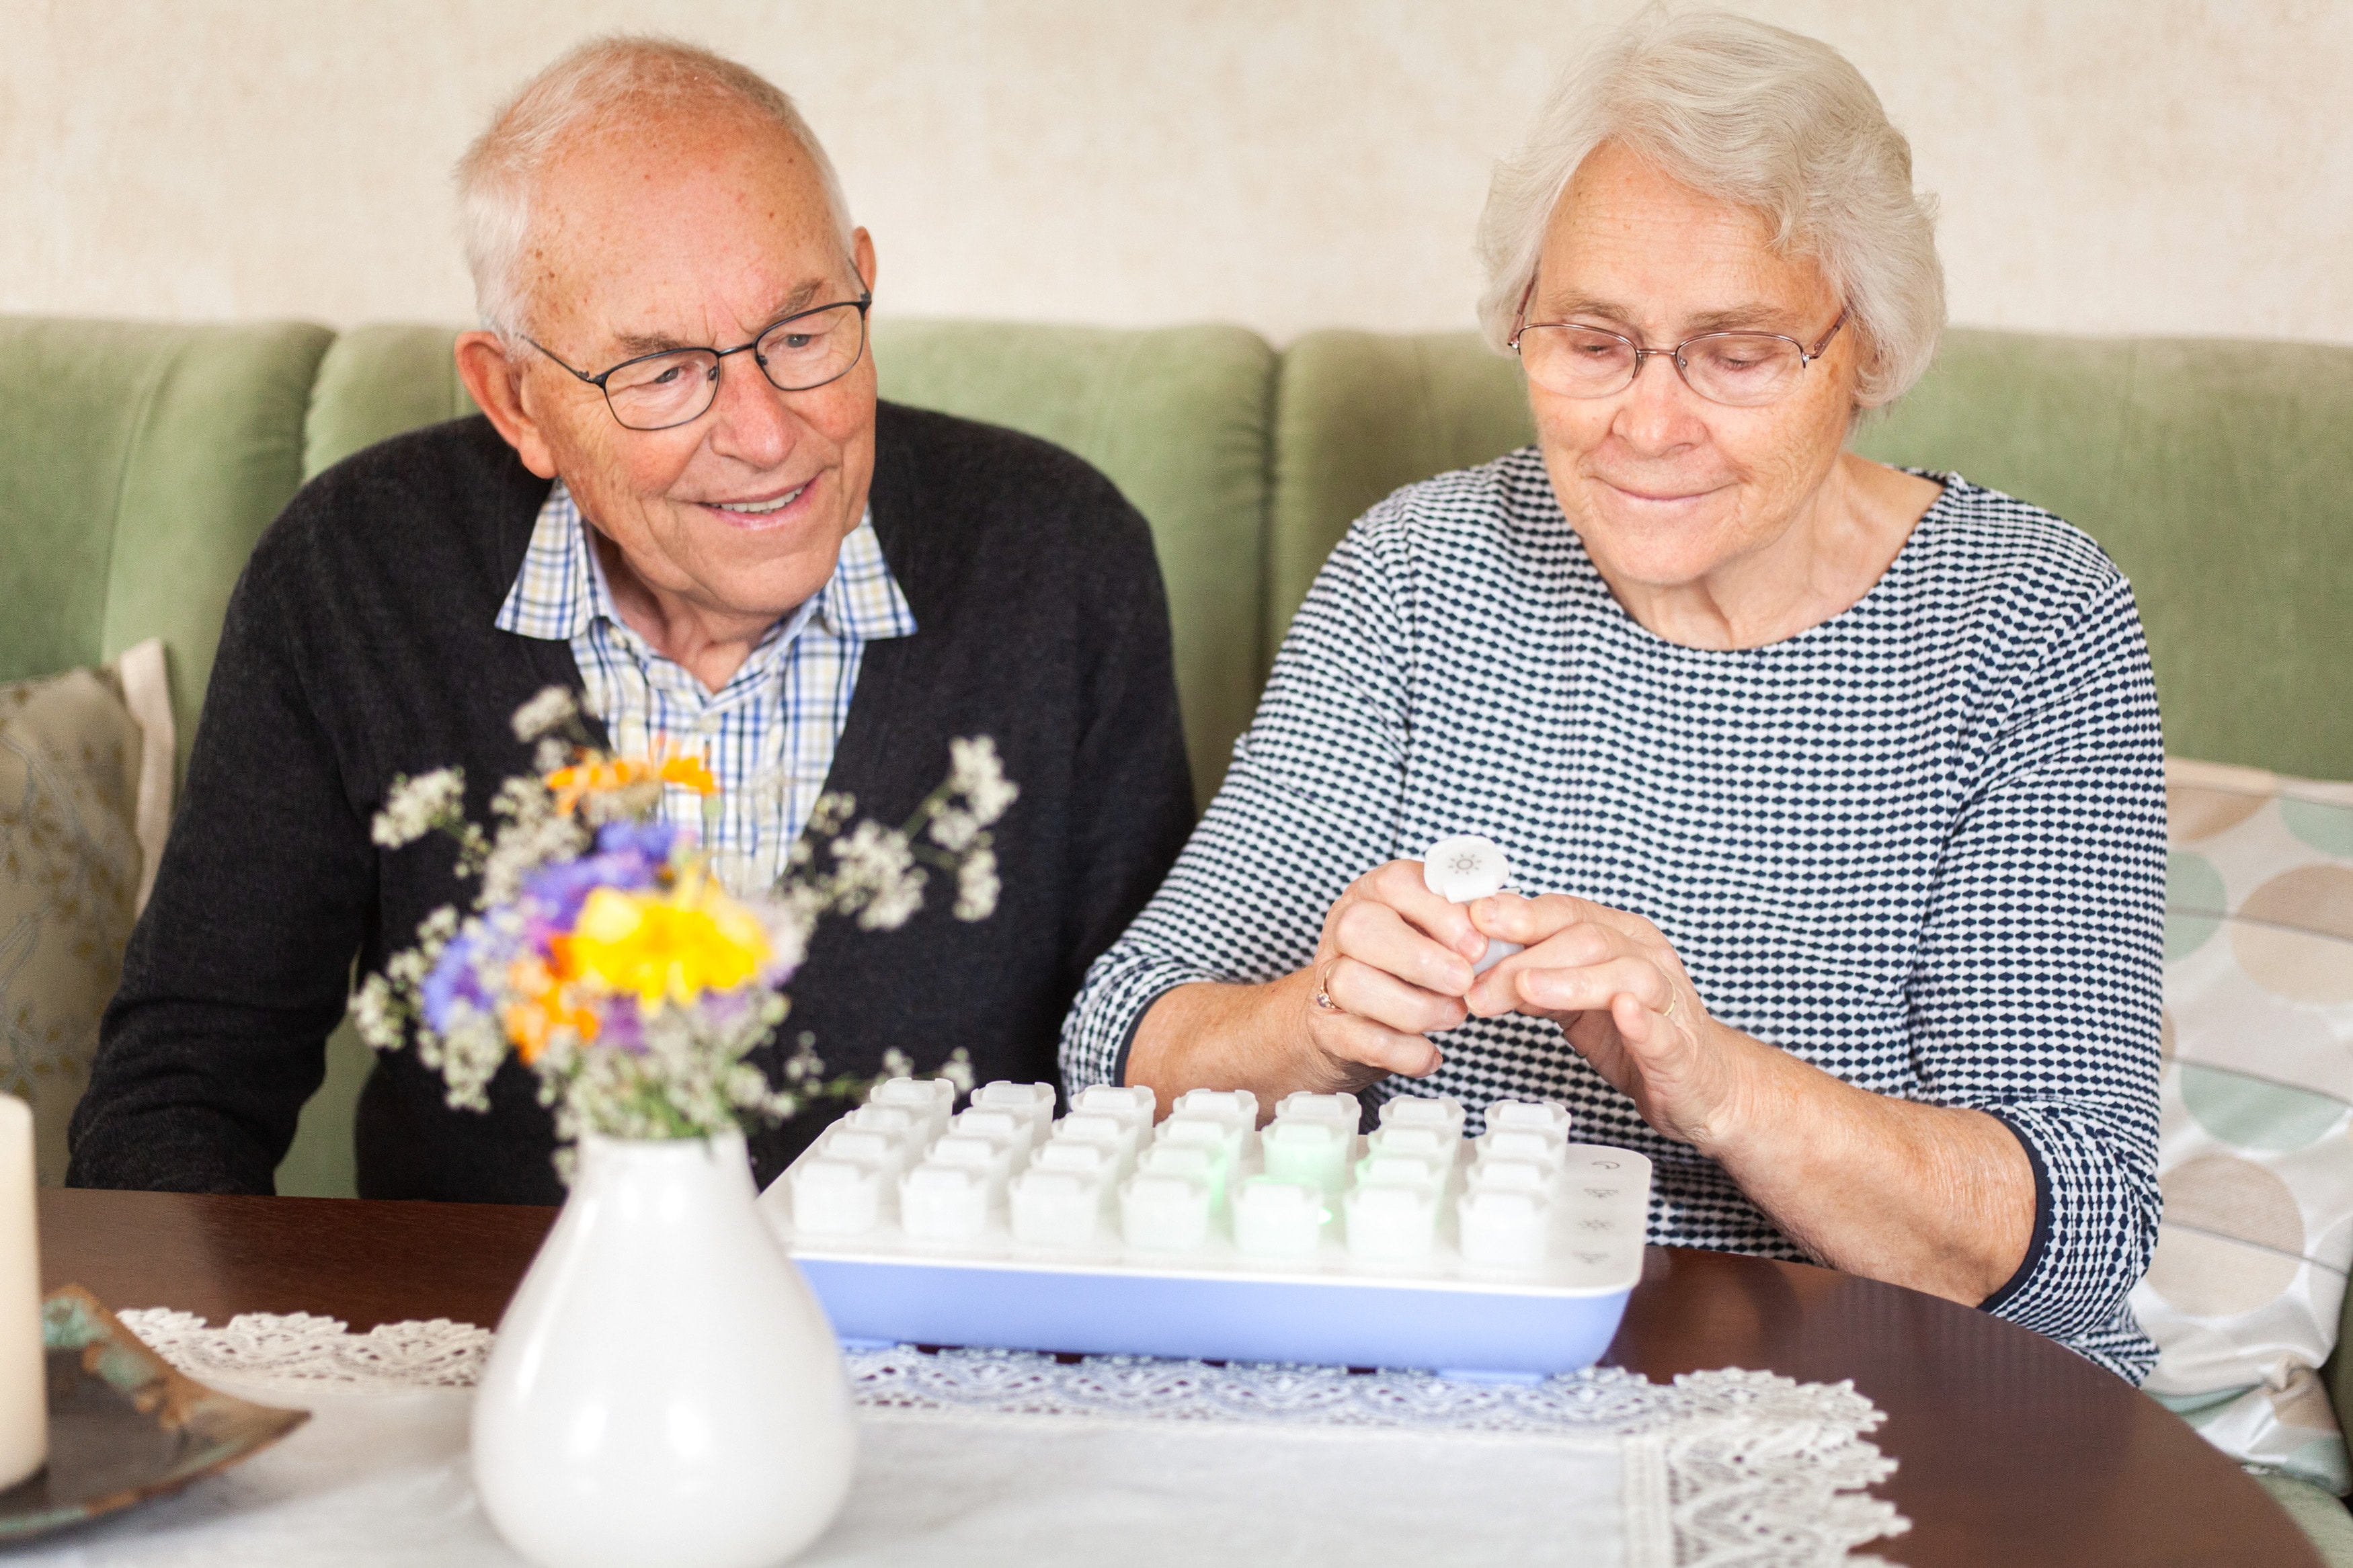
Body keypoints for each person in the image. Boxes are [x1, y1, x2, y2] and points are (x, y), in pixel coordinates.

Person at [1063, 10, 2164, 1380]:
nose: (1647, 425)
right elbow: (1124, 1043)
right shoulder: (1419, 571)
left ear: (1866, 350)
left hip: (1857, 1387)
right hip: (1439, 1366)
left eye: (1738, 351)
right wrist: (1314, 1024)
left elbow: (2071, 1229)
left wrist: (1712, 1080)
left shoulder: (2026, 622)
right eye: (1592, 342)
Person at [71, 37, 1193, 1202]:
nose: (765, 433)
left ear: (863, 280)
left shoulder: (1062, 556)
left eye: (803, 335)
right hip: (498, 1348)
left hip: (939, 1358)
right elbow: (188, 1082)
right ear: (518, 400)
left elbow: (1149, 1050)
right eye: (661, 372)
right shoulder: (356, 572)